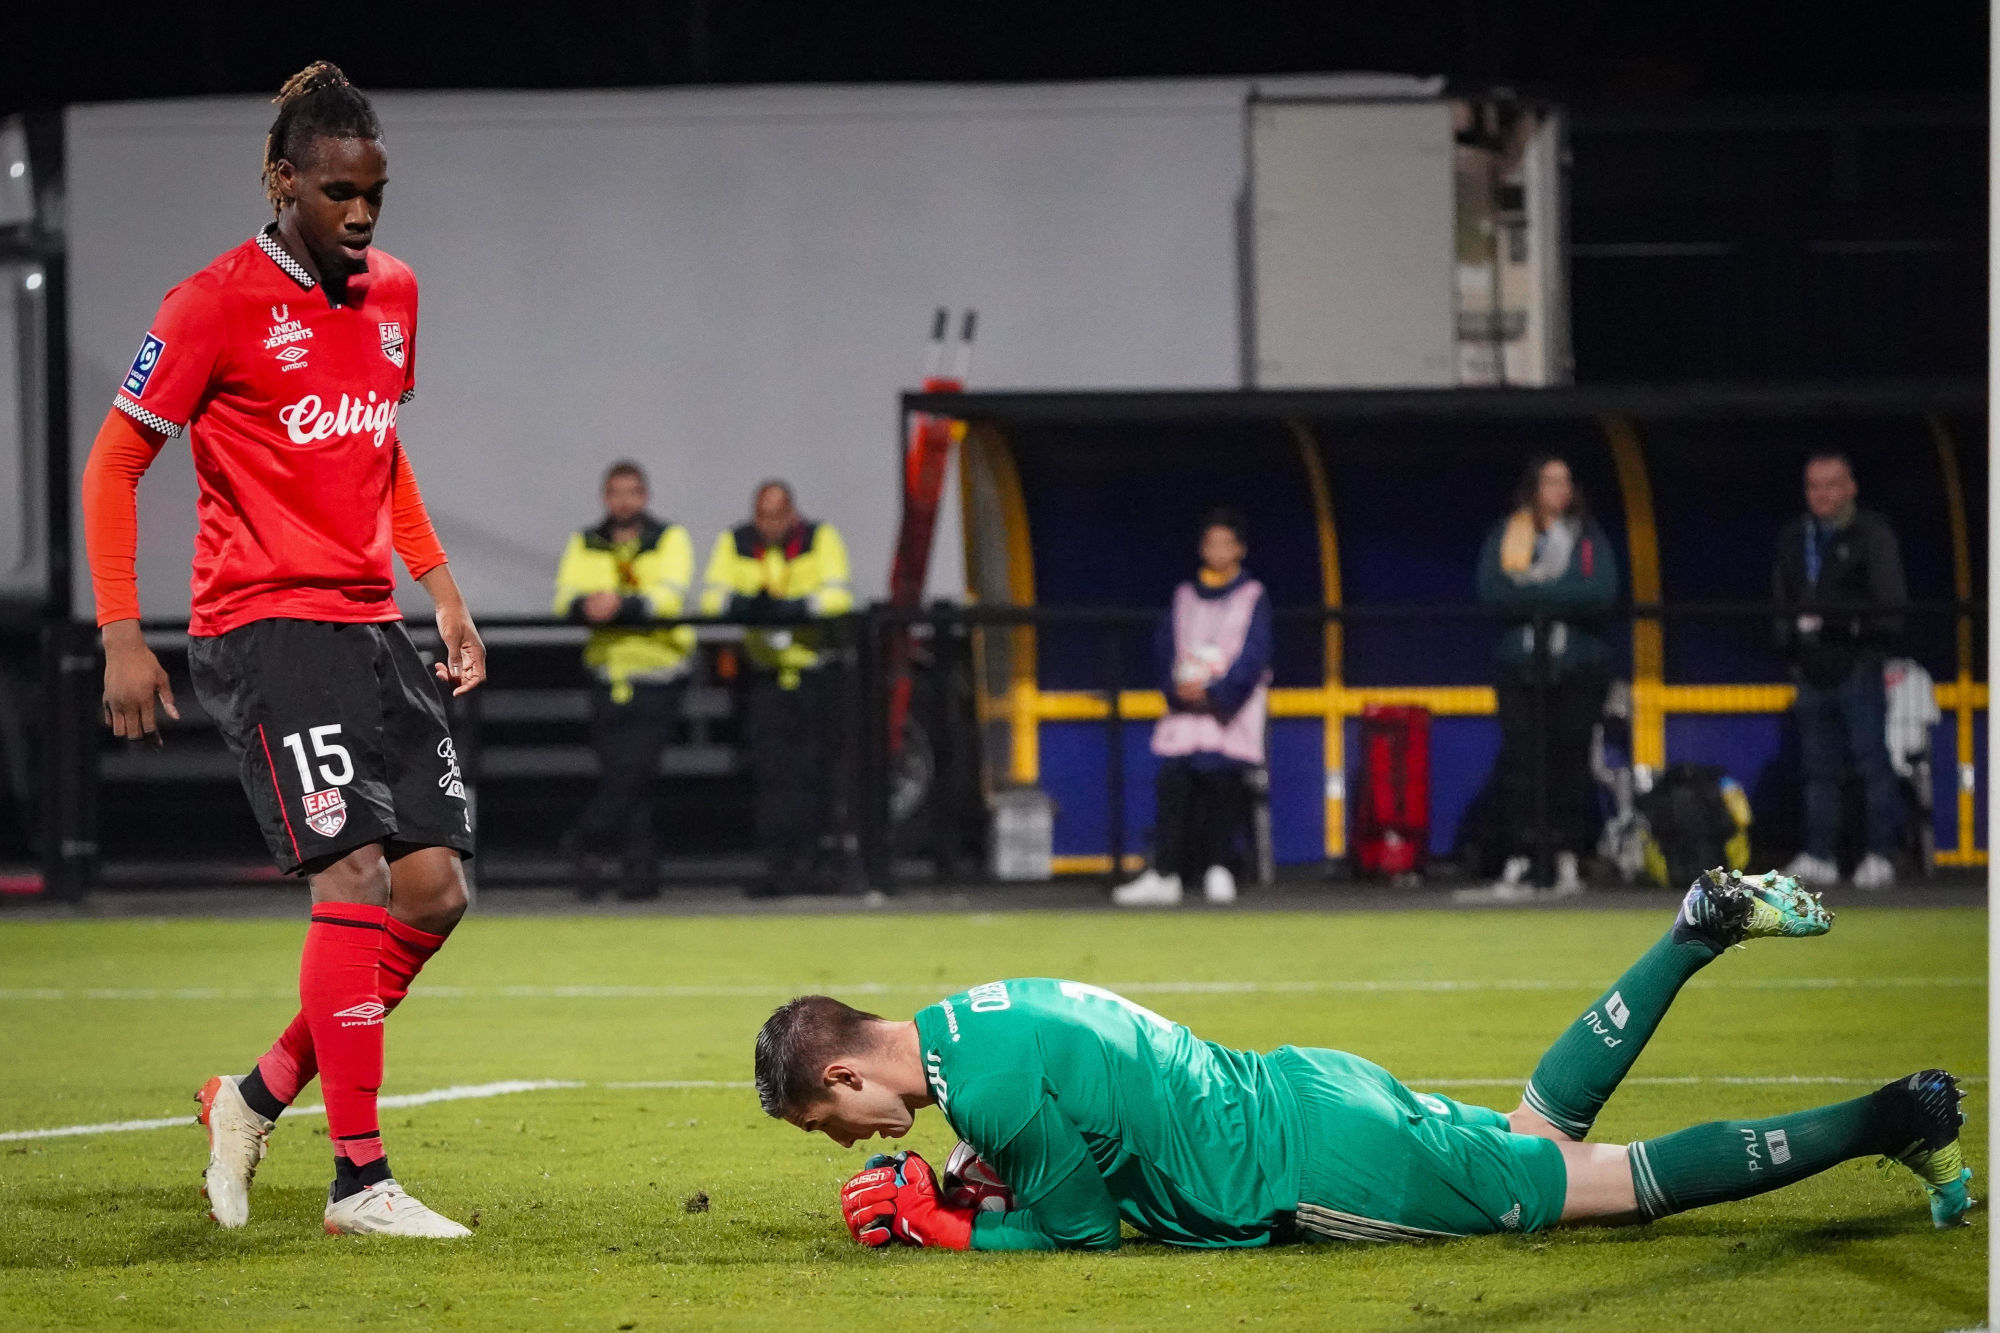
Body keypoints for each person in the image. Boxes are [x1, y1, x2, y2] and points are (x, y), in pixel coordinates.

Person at [79, 63, 481, 1238]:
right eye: (339, 193)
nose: (360, 215)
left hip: (369, 623)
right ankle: (360, 1179)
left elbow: (379, 451)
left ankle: (249, 1099)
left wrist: (441, 590)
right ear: (282, 180)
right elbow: (114, 462)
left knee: (434, 888)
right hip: (262, 624)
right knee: (352, 872)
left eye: (376, 194)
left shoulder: (393, 293)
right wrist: (120, 631)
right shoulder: (209, 303)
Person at [756, 872, 1972, 1252]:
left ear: (848, 1078)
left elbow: (1080, 1234)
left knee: (1599, 1187)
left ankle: (1889, 1114)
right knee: (1533, 1137)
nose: (851, 1140)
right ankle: (1691, 933)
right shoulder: (974, 1018)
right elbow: (1070, 1118)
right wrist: (970, 1179)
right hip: (1307, 1085)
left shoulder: (990, 1090)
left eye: (828, 1122)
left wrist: (947, 1225)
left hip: (1315, 1163)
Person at [1469, 455, 1618, 898]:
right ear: (1533, 488)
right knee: (1521, 764)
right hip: (1519, 670)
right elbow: (1492, 591)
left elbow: (1600, 591)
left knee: (1570, 764)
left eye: (1566, 481)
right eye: (1551, 482)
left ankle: (1567, 856)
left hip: (1576, 671)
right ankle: (1521, 856)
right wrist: (1555, 597)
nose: (1560, 490)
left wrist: (1533, 594)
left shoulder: (1588, 537)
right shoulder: (1508, 533)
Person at [700, 480, 853, 897]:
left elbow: (838, 595)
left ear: (792, 513)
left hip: (811, 674)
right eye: (763, 516)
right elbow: (712, 598)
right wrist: (747, 606)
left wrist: (797, 608)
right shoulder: (737, 542)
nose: (770, 524)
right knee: (771, 776)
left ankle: (812, 864)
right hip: (763, 679)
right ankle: (776, 867)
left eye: (778, 515)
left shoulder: (819, 539)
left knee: (813, 773)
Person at [1113, 508, 1272, 907]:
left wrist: (1217, 692)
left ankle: (1219, 868)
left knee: (1223, 782)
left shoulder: (1253, 596)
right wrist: (1176, 688)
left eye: (1225, 543)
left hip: (1228, 714)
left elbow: (1255, 655)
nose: (1217, 551)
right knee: (1173, 783)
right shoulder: (1183, 596)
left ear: (1240, 549)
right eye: (1210, 543)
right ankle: (1165, 873)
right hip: (1184, 713)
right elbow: (1165, 646)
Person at [553, 460, 696, 901]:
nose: (624, 500)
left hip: (658, 674)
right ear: (604, 496)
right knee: (627, 779)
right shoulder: (586, 542)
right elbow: (564, 596)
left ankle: (583, 839)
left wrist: (621, 607)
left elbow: (670, 597)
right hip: (606, 674)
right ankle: (639, 876)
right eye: (616, 491)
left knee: (635, 773)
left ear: (645, 496)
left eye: (632, 491)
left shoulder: (669, 539)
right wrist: (587, 606)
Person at [1773, 453, 1908, 891]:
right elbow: (1781, 600)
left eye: (1831, 485)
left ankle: (1880, 854)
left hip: (1858, 666)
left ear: (1851, 487)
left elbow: (1889, 605)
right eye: (1814, 486)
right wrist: (1791, 648)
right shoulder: (1796, 536)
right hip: (1811, 671)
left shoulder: (1872, 533)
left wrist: (1841, 625)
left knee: (1872, 762)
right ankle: (1820, 855)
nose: (1822, 494)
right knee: (1817, 769)